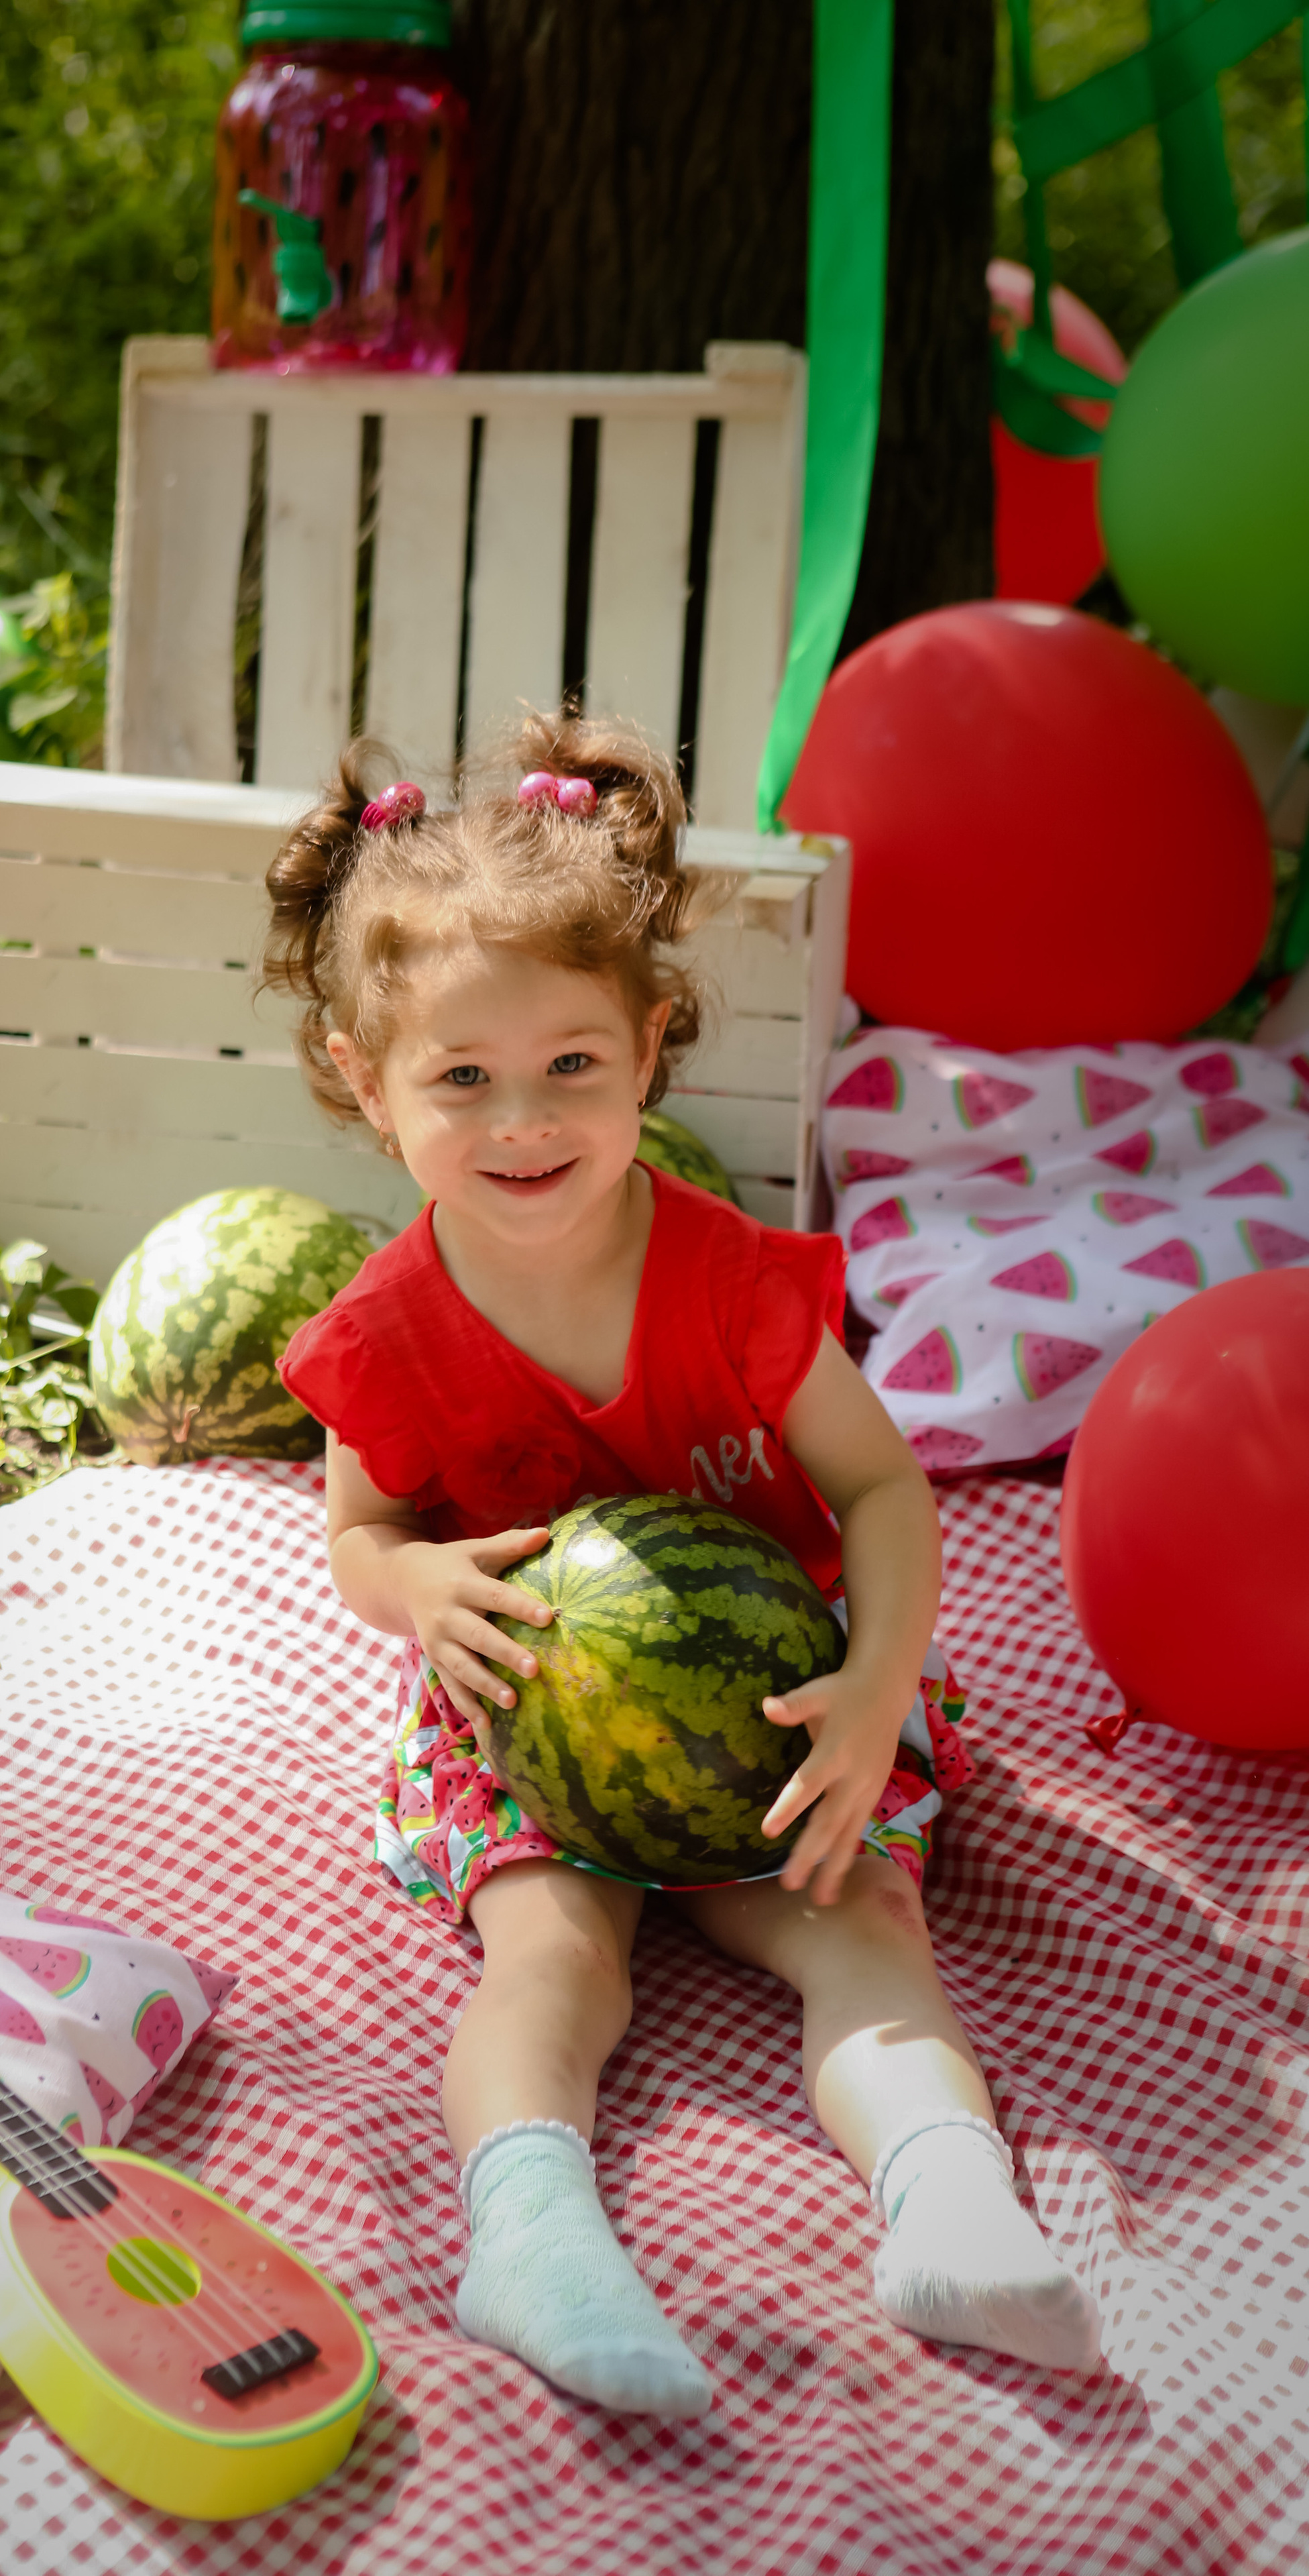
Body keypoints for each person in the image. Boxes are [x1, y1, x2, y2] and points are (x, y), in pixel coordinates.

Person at [267, 717, 1102, 2418]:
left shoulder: (730, 1282)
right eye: (460, 1079)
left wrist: (871, 1685)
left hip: (785, 1691)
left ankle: (947, 2204)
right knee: (552, 1953)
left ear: (649, 1049)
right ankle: (530, 2238)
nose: (523, 1121)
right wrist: (416, 1592)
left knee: (859, 1914)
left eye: (572, 1063)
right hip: (525, 1714)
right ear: (365, 1079)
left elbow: (880, 1488)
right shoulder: (386, 1334)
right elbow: (358, 1534)